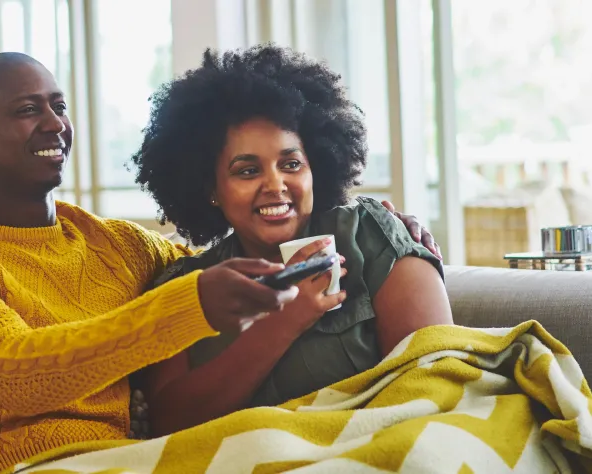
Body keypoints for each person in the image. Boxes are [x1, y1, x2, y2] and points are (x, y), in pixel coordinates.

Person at [0, 51, 439, 473]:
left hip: (138, 459)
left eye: (59, 106)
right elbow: (17, 373)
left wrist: (386, 229)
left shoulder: (119, 246)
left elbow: (214, 262)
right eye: (27, 110)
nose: (54, 124)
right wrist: (193, 305)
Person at [130, 45, 454, 436]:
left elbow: (437, 383)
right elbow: (170, 425)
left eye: (291, 164)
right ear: (210, 189)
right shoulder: (183, 288)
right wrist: (285, 320)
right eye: (247, 170)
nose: (275, 185)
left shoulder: (370, 235)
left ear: (316, 168)